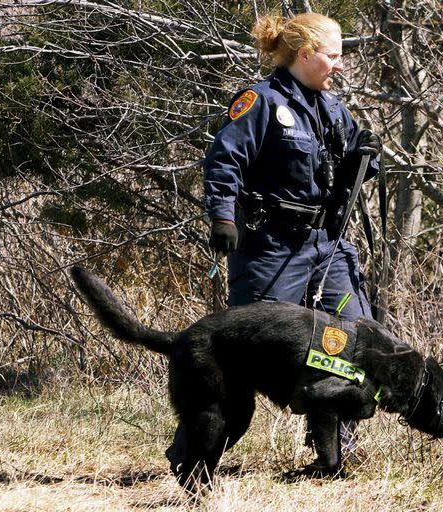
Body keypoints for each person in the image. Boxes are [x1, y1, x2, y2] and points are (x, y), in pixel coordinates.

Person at [167, 12, 382, 474]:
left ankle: (330, 451)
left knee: (356, 342)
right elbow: (224, 162)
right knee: (240, 356)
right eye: (333, 56)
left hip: (327, 244)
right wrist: (222, 217)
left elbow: (342, 173)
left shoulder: (333, 109)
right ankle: (188, 454)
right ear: (305, 56)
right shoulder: (259, 102)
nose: (340, 66)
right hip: (270, 248)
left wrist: (365, 159)